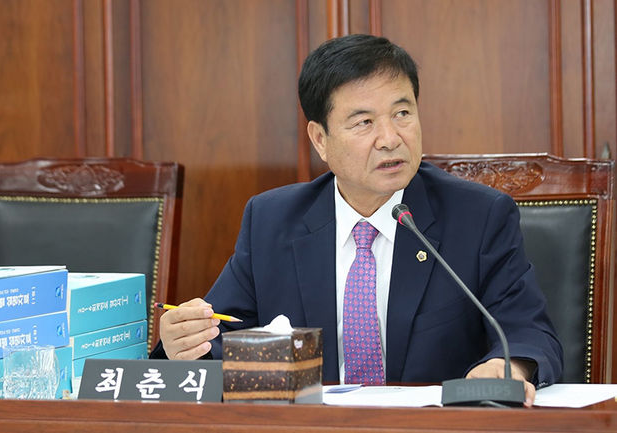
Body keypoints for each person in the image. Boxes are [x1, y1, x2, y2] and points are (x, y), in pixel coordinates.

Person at [150, 34, 563, 406]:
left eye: (402, 113)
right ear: (320, 139)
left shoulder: (478, 216)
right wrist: (180, 344)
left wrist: (507, 367)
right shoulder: (272, 221)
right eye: (364, 122)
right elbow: (220, 339)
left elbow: (528, 333)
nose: (390, 138)